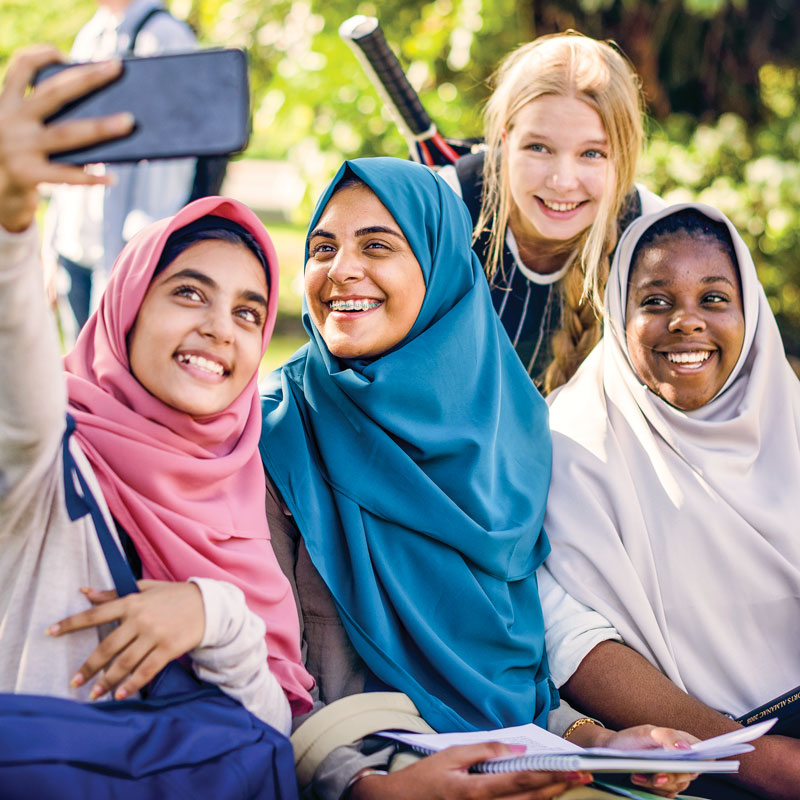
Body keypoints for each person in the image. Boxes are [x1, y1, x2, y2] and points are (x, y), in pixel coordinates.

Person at [259, 157, 701, 800]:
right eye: (322, 247)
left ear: (440, 268)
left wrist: (597, 742)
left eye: (377, 246)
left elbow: (510, 673)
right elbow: (261, 681)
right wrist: (362, 786)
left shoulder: (511, 429)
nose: (341, 270)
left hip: (516, 760)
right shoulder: (277, 434)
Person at [0, 46, 313, 730]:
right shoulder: (48, 459)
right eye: (188, 293)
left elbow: (270, 733)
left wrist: (215, 616)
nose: (219, 329)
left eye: (247, 312)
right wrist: (10, 220)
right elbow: (18, 395)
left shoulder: (239, 486)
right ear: (127, 309)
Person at [543, 203, 800, 799]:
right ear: (618, 314)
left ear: (750, 313)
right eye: (656, 301)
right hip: (685, 762)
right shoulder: (569, 445)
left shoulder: (789, 419)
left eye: (714, 299)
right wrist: (753, 759)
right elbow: (573, 640)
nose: (686, 321)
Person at [438, 31, 663, 391]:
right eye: (539, 147)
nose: (562, 181)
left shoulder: (654, 233)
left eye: (592, 153)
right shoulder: (446, 207)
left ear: (622, 156)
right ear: (506, 141)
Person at [42, 0, 198, 341]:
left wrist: (140, 257)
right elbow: (69, 146)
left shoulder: (165, 37)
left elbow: (170, 160)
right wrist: (50, 248)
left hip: (124, 255)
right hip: (75, 249)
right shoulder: (91, 34)